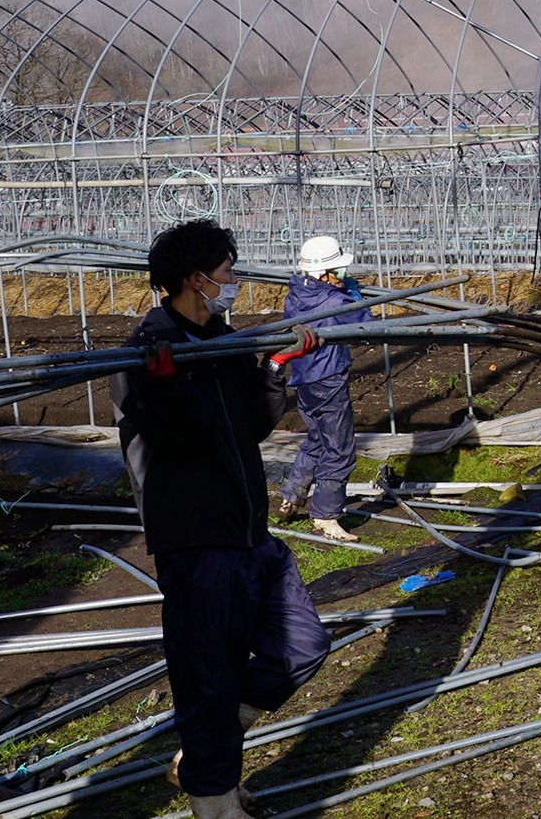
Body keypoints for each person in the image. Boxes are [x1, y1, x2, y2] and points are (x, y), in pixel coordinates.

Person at [108, 219, 331, 819]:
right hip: (198, 539)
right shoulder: (146, 350)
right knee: (208, 673)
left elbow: (250, 425)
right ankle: (215, 801)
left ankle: (214, 737)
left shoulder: (224, 341)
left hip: (249, 531)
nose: (233, 280)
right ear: (194, 278)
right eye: (225, 270)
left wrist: (275, 366)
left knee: (304, 644)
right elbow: (176, 442)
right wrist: (162, 385)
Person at [274, 235, 372, 545]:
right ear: (323, 275)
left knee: (317, 437)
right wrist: (354, 294)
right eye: (338, 272)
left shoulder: (296, 296)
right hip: (329, 378)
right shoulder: (335, 301)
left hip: (303, 379)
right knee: (339, 447)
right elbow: (365, 326)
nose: (342, 277)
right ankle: (326, 515)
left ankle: (292, 493)